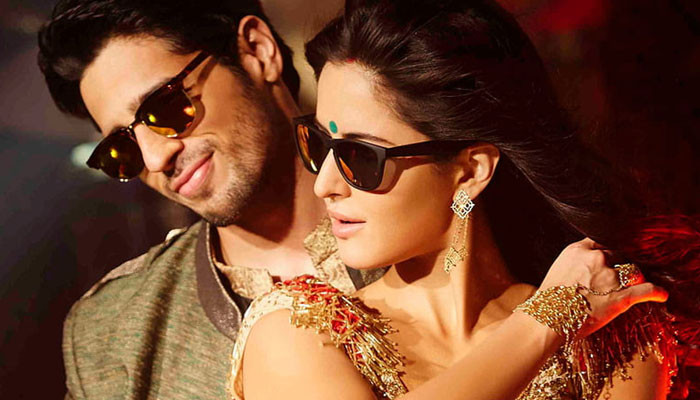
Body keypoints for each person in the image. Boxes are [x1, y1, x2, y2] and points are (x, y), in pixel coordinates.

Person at [228, 0, 699, 399]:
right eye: (319, 145)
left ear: (471, 171)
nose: (325, 184)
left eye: (360, 156)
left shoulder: (610, 331)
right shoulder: (296, 331)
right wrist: (546, 321)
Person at [37, 1, 383, 398]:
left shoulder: (430, 214)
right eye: (123, 148)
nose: (156, 158)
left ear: (257, 51)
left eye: (164, 107)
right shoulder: (111, 335)